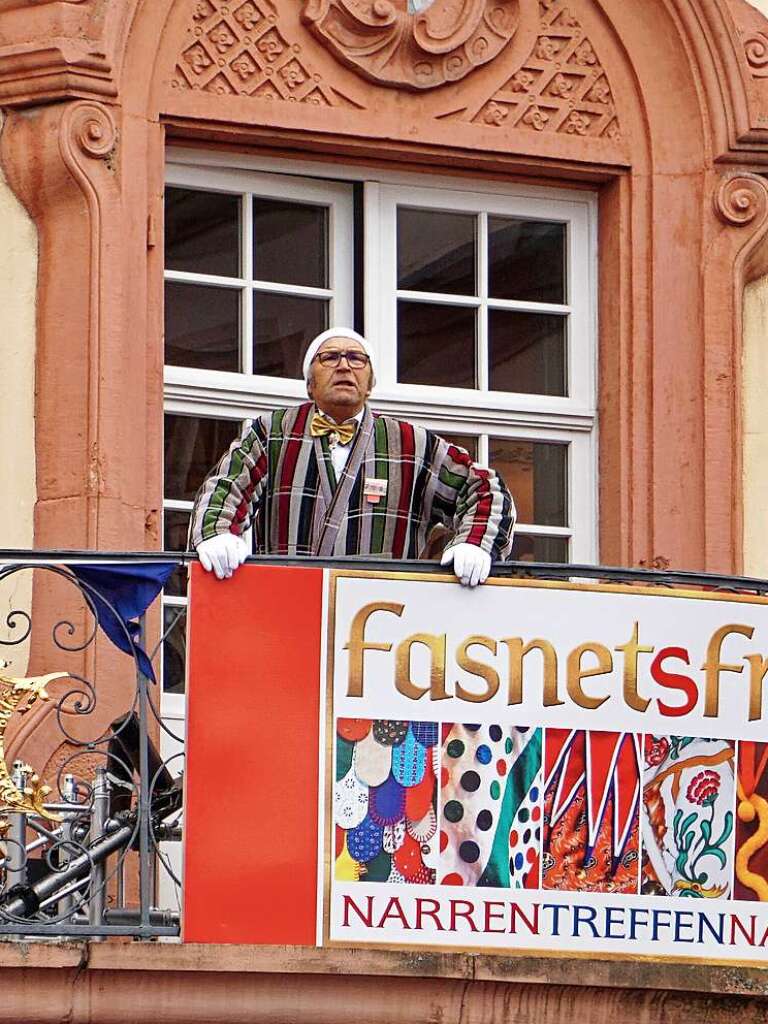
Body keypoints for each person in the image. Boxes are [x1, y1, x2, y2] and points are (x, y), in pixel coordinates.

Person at [190, 328, 515, 586]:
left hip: (384, 618)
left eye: (356, 359)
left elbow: (484, 488)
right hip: (288, 607)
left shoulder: (411, 444)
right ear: (309, 383)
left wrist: (474, 542)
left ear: (370, 383)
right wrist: (216, 533)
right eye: (330, 357)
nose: (344, 365)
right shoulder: (273, 431)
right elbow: (227, 484)